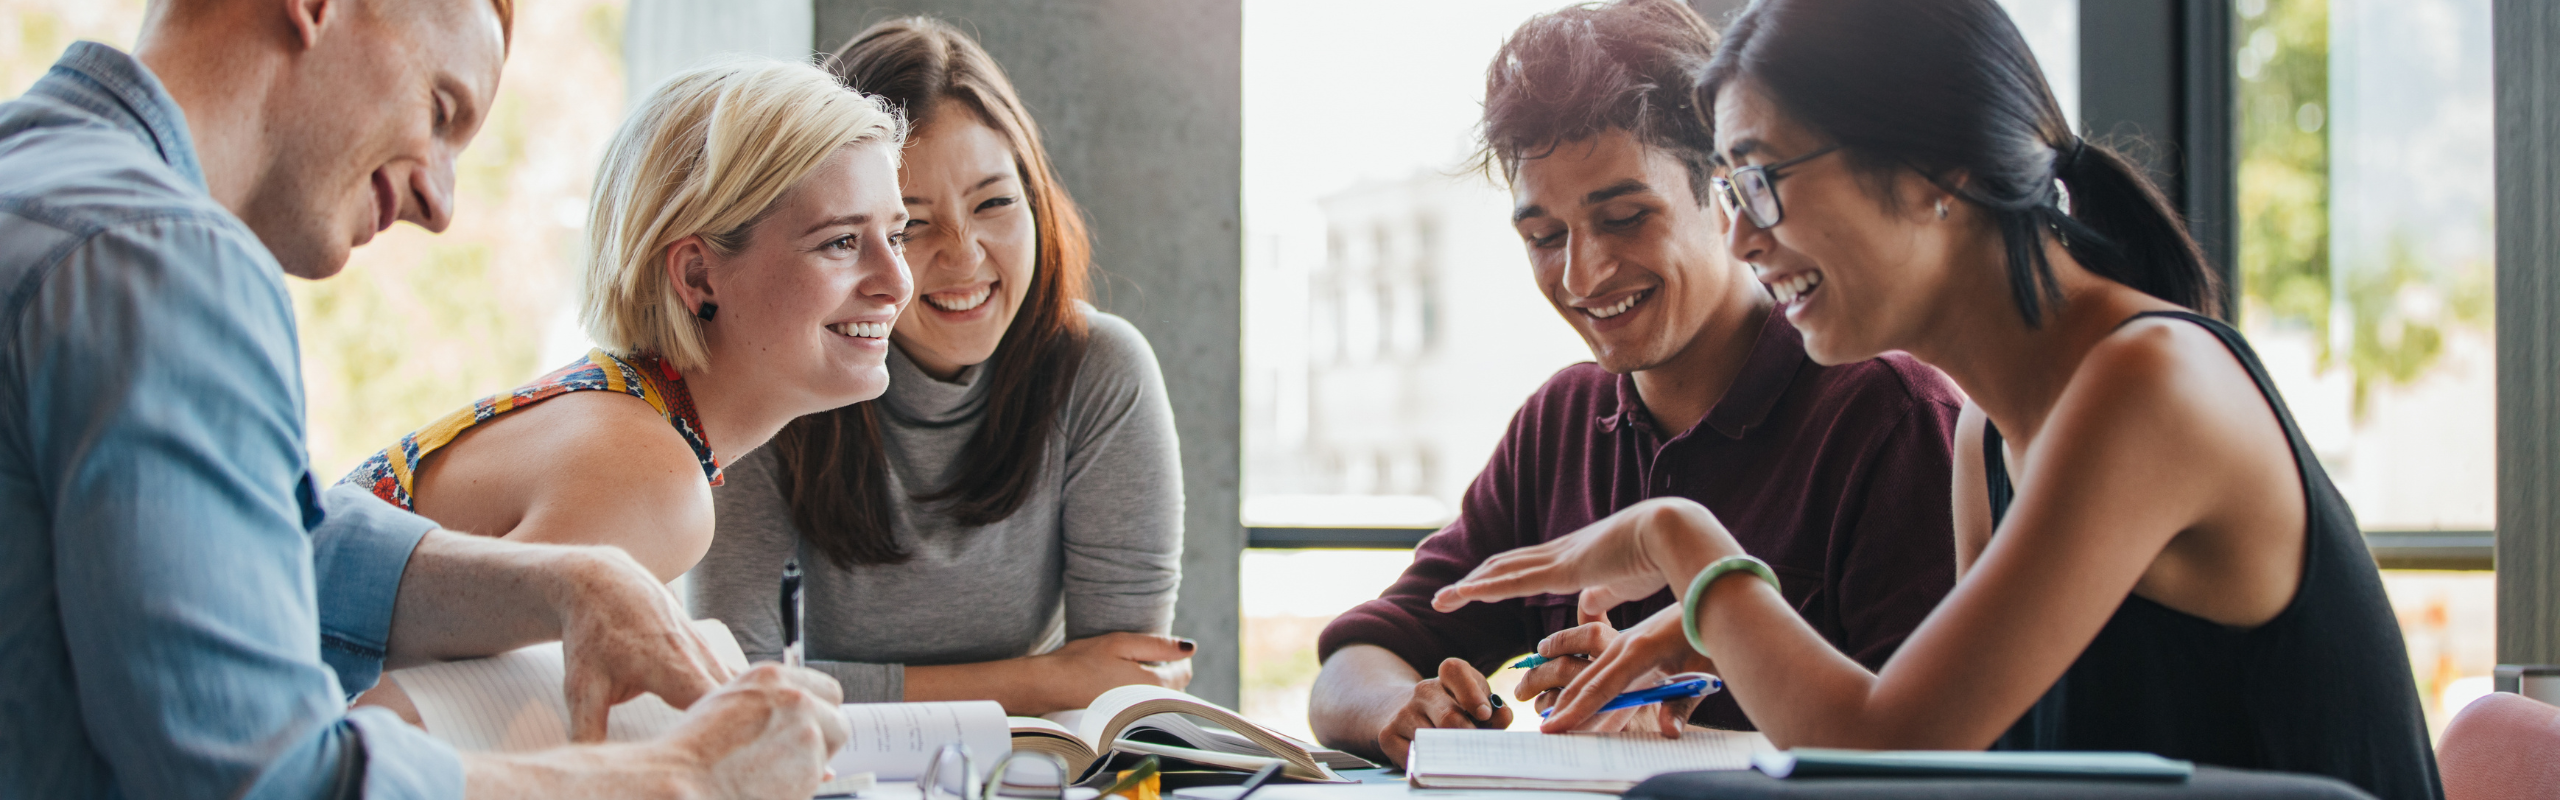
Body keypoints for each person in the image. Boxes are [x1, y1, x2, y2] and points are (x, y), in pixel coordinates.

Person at [1429, 1, 2442, 798]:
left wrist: (1679, 540)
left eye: (1763, 182)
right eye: (1733, 192)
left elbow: (1882, 752)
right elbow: (1958, 771)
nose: (1740, 239)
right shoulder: (1986, 439)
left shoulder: (2148, 386)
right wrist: (1714, 629)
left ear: (1935, 170)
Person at [0, 1, 850, 798]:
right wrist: (680, 775)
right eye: (441, 111)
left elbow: (249, 543)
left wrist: (567, 580)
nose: (440, 204)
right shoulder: (166, 262)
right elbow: (271, 776)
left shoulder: (41, 185)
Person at [1307, 0, 1964, 767]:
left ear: (1725, 194)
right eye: (1544, 238)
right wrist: (1401, 708)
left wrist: (1691, 685)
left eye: (1623, 218)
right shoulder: (1562, 423)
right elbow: (1354, 661)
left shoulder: (1887, 416)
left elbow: (1924, 753)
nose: (1582, 275)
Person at [687, 16, 1189, 715]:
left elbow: (1117, 685)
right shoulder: (769, 373)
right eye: (910, 225)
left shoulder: (1099, 371)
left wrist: (1068, 686)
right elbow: (739, 686)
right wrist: (1040, 680)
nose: (964, 255)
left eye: (994, 203)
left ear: (1037, 200)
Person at [340, 58, 914, 584]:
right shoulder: (650, 482)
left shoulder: (624, 415)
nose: (897, 282)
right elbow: (392, 696)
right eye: (841, 242)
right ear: (697, 277)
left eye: (896, 237)